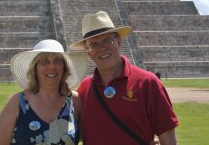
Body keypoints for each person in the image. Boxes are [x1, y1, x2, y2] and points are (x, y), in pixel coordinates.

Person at [70, 11, 179, 145]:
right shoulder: (85, 88)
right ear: (88, 52)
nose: (102, 48)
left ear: (118, 42)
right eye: (94, 44)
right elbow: (77, 133)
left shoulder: (147, 82)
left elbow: (169, 139)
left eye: (107, 40)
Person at [0, 39, 88, 145]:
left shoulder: (75, 101)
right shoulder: (17, 103)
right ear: (35, 68)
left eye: (57, 61)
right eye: (44, 61)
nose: (51, 66)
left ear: (64, 67)